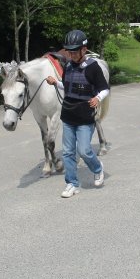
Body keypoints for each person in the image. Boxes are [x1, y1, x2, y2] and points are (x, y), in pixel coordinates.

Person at [45, 30, 110, 198]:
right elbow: (68, 87)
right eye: (70, 51)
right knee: (67, 152)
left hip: (84, 117)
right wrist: (56, 83)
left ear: (84, 49)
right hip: (68, 115)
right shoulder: (68, 66)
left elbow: (105, 89)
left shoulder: (93, 68)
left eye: (75, 51)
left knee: (84, 150)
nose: (72, 55)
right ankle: (72, 183)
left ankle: (97, 168)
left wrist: (97, 97)